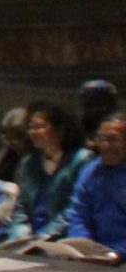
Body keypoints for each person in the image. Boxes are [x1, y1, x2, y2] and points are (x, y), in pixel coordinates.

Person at [12, 101, 89, 240]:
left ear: (61, 130)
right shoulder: (28, 163)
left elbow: (73, 209)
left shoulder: (81, 160)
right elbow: (22, 207)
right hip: (30, 240)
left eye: (40, 127)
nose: (33, 132)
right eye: (31, 127)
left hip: (63, 237)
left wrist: (43, 237)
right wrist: (19, 237)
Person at [62, 116, 126, 254]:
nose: (107, 145)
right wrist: (82, 244)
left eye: (114, 139)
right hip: (95, 253)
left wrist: (117, 253)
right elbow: (78, 214)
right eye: (102, 139)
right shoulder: (90, 171)